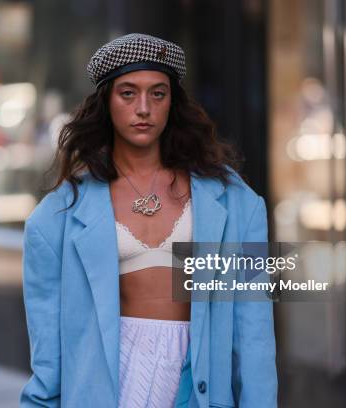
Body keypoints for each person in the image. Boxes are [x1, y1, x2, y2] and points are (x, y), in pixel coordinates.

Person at [20, 33, 277, 407]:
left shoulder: (236, 205)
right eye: (128, 93)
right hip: (106, 392)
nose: (144, 108)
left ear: (173, 102)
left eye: (158, 93)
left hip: (198, 391)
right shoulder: (56, 219)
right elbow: (49, 356)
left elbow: (254, 335)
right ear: (106, 102)